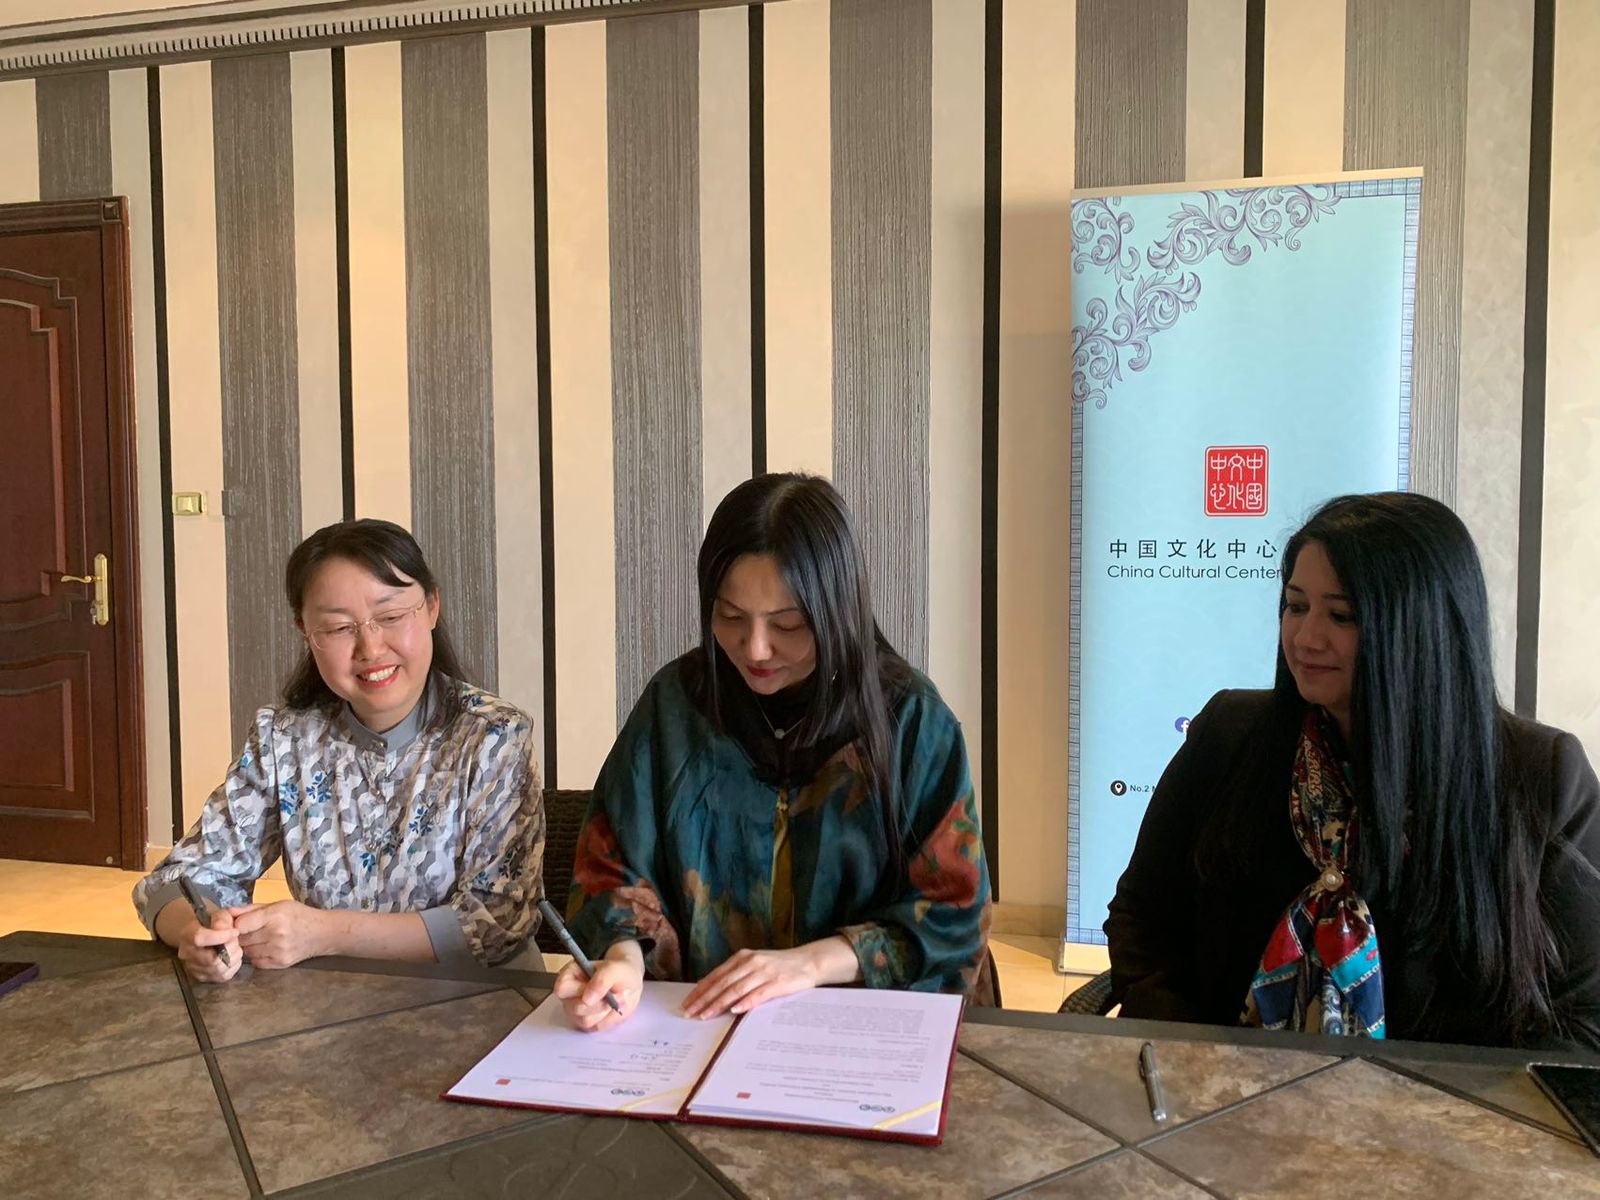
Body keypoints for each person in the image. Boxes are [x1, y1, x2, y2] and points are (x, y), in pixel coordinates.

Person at [1105, 492, 1600, 1049]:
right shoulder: (1229, 736)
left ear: (1422, 628)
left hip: (1438, 1099)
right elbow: (1142, 917)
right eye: (1296, 606)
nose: (1306, 638)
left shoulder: (1540, 777)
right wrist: (1193, 1058)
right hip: (1218, 1083)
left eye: (1340, 616)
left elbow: (1584, 1020)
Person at [554, 473, 992, 1031]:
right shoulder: (677, 706)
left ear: (838, 611)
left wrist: (811, 964)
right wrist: (622, 958)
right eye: (731, 617)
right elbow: (610, 867)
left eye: (789, 624)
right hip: (700, 1025)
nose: (756, 649)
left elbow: (954, 914)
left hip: (866, 1029)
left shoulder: (908, 719)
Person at [133, 519, 544, 982]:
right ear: (306, 632)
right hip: (330, 1001)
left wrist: (324, 933)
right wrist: (198, 931)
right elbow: (176, 880)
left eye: (391, 617)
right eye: (338, 627)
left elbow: (494, 924)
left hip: (485, 1000)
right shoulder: (284, 738)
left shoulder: (494, 736)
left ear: (432, 607)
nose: (371, 647)